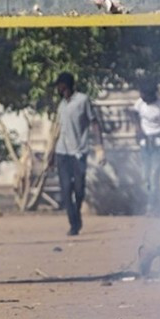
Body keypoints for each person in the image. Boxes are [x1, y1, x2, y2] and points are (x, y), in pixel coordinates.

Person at [50, 72, 105, 236]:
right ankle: (74, 223)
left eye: (60, 85)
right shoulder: (61, 105)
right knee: (66, 189)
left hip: (79, 152)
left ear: (66, 85)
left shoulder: (82, 100)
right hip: (62, 152)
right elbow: (57, 130)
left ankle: (77, 211)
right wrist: (51, 154)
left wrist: (99, 147)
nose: (58, 88)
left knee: (79, 189)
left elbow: (94, 123)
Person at [129, 79, 160, 202]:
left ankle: (153, 204)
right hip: (145, 143)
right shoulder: (140, 103)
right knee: (145, 175)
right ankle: (149, 200)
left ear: (151, 94)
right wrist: (138, 129)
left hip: (159, 143)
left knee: (155, 174)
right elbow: (134, 114)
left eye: (144, 94)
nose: (141, 96)